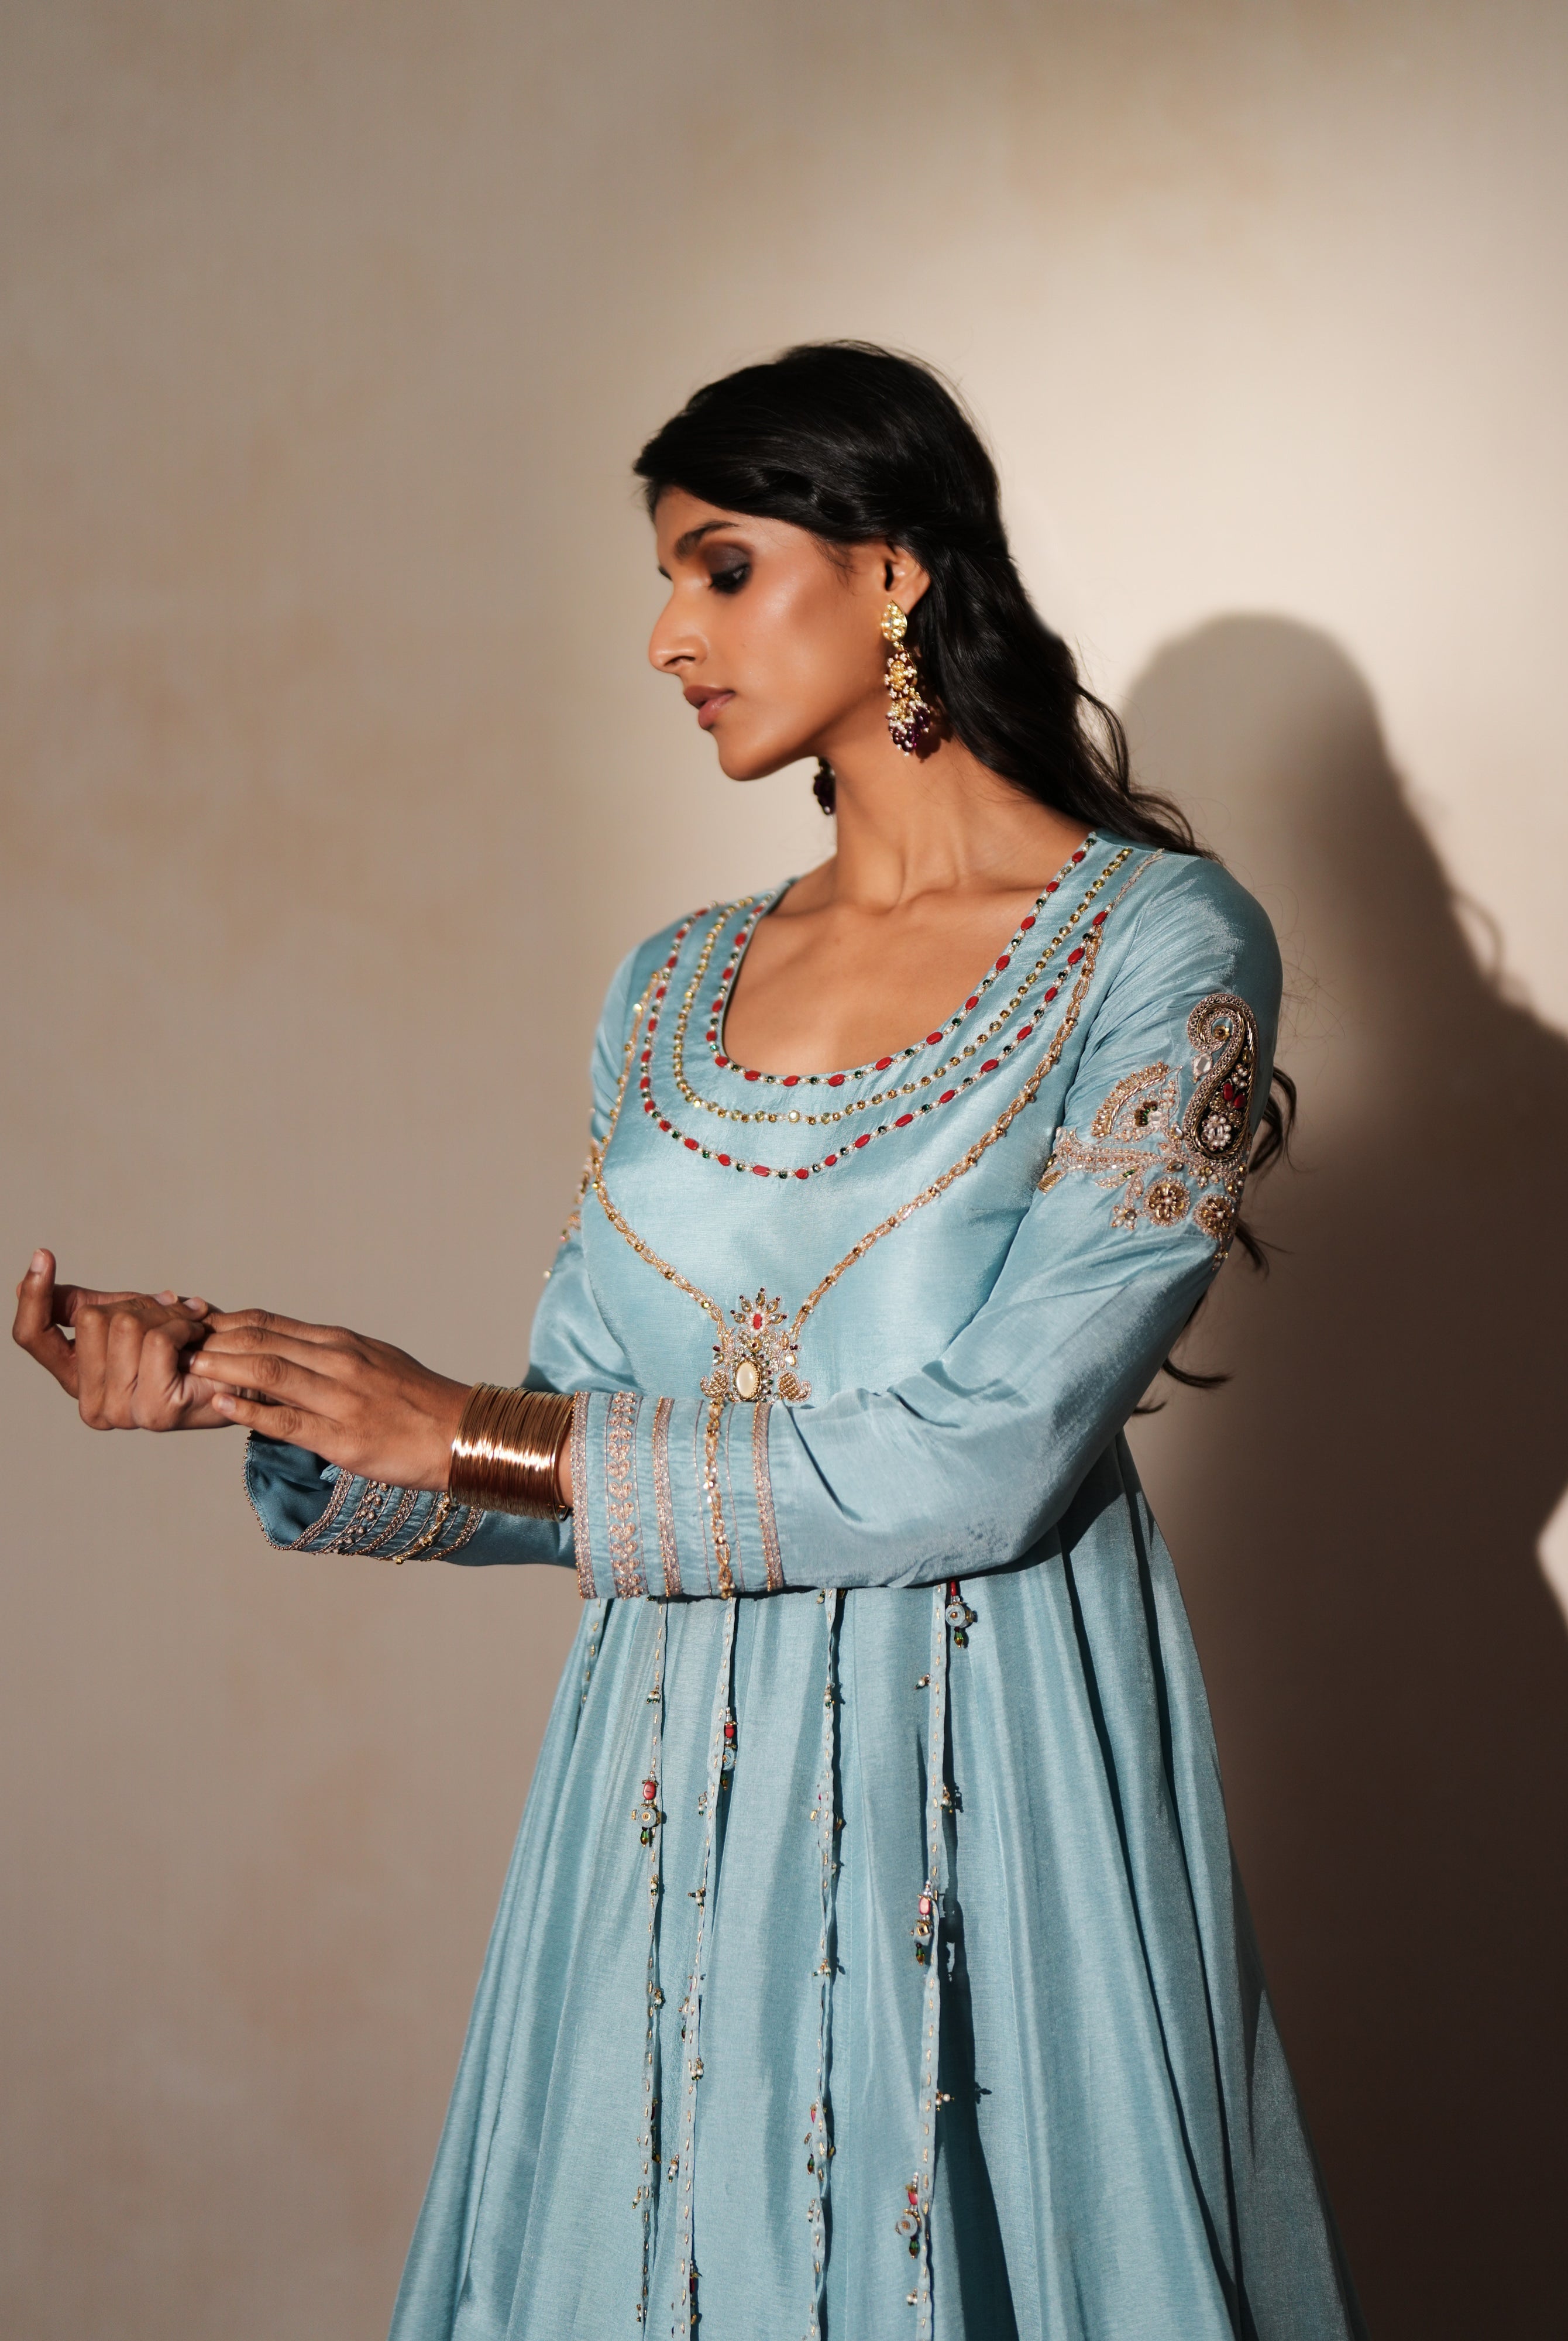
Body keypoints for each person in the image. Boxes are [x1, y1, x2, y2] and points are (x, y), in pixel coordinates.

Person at [13, 344, 1363, 2341]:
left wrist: (474, 1429)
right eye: (667, 578)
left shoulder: (1161, 946)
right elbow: (568, 1454)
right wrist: (271, 1387)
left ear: (894, 571)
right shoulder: (673, 984)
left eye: (720, 569)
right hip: (662, 1807)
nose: (668, 635)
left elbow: (992, 1452)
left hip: (986, 1768)